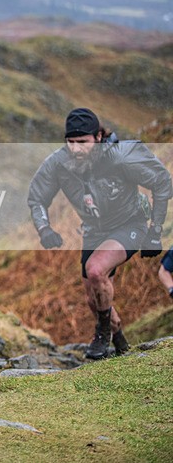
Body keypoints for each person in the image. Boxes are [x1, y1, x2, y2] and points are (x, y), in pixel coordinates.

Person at [28, 108, 171, 360]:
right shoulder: (59, 163)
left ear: (98, 137)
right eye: (70, 142)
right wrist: (44, 229)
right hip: (94, 231)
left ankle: (102, 332)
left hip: (130, 224)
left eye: (82, 142)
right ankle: (121, 344)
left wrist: (155, 230)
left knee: (96, 270)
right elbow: (37, 196)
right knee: (93, 298)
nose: (75, 148)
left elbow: (162, 182)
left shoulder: (121, 156)